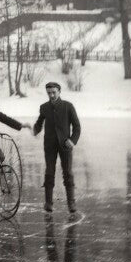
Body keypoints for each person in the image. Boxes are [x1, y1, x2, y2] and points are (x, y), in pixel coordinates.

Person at [33, 81, 82, 213]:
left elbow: (77, 127)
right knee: (49, 172)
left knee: (68, 173)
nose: (52, 95)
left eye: (54, 92)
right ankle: (48, 203)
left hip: (65, 145)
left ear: (59, 92)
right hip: (49, 145)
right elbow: (39, 122)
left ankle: (71, 203)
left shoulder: (68, 106)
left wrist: (72, 140)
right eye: (49, 93)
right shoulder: (44, 107)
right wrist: (35, 130)